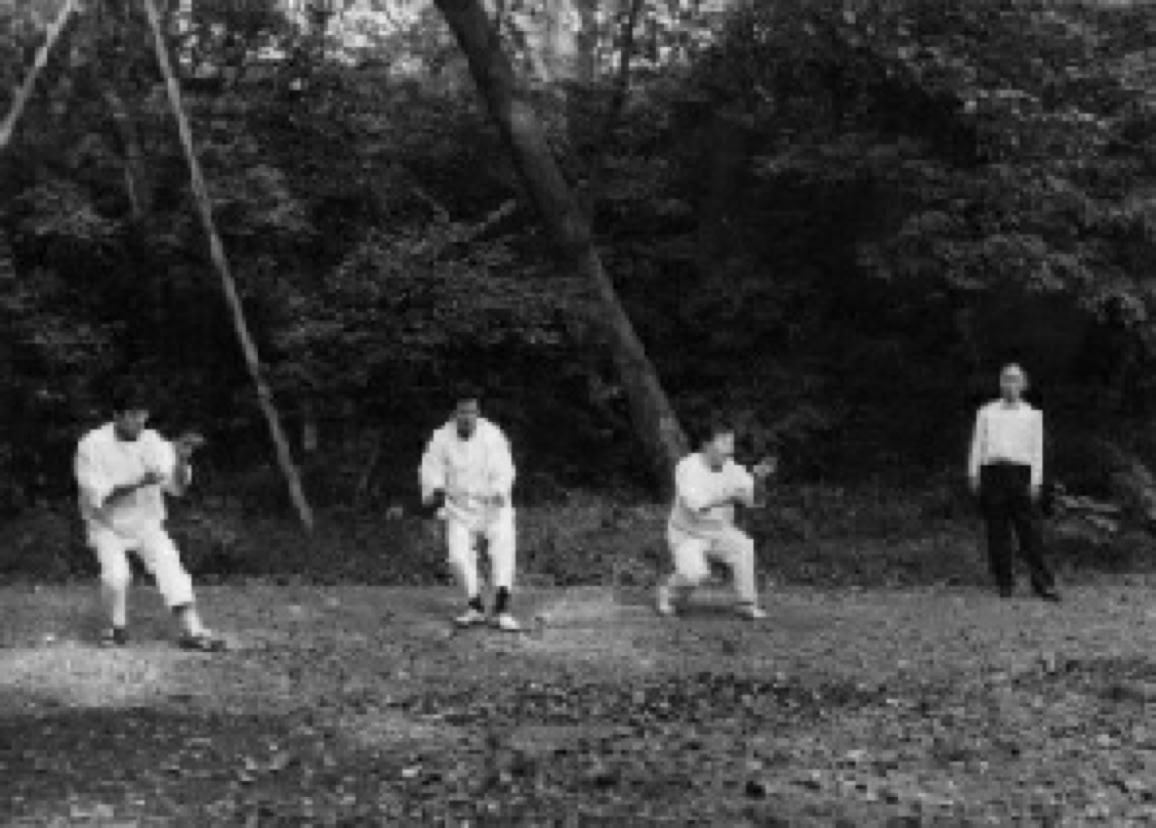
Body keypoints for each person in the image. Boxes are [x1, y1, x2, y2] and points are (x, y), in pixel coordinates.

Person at [74, 379, 225, 650]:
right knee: (116, 576)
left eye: (143, 413)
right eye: (132, 414)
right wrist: (139, 481)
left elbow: (177, 488)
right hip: (105, 524)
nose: (139, 420)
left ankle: (193, 630)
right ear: (116, 415)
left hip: (145, 522)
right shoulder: (91, 445)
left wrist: (181, 459)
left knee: (170, 565)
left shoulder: (154, 441)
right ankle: (115, 628)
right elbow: (98, 496)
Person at [419, 385, 520, 631]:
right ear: (454, 414)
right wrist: (435, 489)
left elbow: (504, 468)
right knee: (457, 557)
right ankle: (474, 606)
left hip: (492, 505)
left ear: (478, 413)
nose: (467, 417)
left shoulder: (492, 434)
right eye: (462, 412)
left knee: (503, 547)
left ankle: (501, 608)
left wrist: (498, 491)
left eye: (472, 412)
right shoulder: (441, 437)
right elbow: (430, 469)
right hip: (459, 508)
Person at [657, 416, 776, 619]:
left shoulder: (733, 468)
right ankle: (668, 593)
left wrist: (759, 479)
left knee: (744, 546)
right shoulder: (688, 467)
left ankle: (746, 603)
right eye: (723, 442)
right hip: (687, 534)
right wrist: (729, 495)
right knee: (695, 574)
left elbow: (756, 502)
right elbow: (697, 506)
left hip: (719, 532)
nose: (729, 448)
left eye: (731, 442)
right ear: (706, 445)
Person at [967, 363, 1060, 601]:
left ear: (1024, 384)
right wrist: (973, 473)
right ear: (1000, 383)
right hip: (992, 473)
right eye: (1006, 379)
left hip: (1021, 474)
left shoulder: (1032, 415)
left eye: (1015, 379)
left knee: (1030, 531)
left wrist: (1036, 481)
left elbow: (1037, 450)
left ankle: (1043, 584)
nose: (1010, 384)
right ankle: (1004, 583)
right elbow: (977, 443)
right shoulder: (986, 412)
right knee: (997, 532)